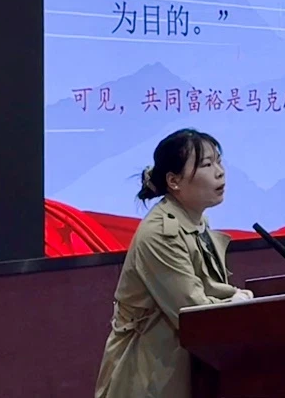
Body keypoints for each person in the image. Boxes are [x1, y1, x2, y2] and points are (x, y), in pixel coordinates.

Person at [95, 129, 253, 398]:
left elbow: (208, 288)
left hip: (180, 368)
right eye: (207, 165)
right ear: (174, 181)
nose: (220, 172)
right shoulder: (161, 233)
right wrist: (237, 303)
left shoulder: (194, 220)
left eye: (219, 161)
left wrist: (240, 299)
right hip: (146, 376)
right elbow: (192, 311)